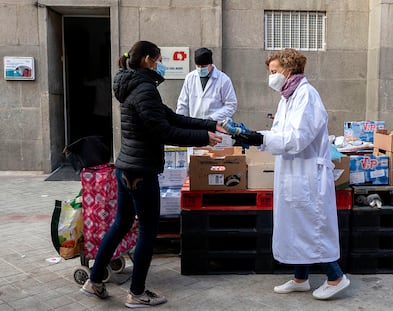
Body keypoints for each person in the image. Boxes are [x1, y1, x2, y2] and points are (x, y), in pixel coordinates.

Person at [80, 40, 225, 308]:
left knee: (121, 223)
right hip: (141, 172)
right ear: (148, 60)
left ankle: (95, 280)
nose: (161, 64)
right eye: (159, 59)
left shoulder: (134, 86)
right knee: (148, 229)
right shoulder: (144, 89)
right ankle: (137, 293)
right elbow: (164, 132)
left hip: (127, 166)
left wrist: (209, 124)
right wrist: (204, 137)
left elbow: (169, 116)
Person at [235, 48, 350, 300]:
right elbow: (279, 133)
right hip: (293, 172)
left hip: (308, 173)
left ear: (288, 70)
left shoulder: (306, 95)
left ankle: (336, 277)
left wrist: (260, 137)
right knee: (296, 226)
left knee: (311, 226)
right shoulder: (287, 97)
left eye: (274, 72)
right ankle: (301, 278)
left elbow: (298, 138)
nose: (271, 77)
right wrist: (256, 137)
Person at [176, 47, 237, 121]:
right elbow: (183, 104)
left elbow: (231, 105)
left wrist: (212, 118)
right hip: (195, 125)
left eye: (203, 66)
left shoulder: (223, 80)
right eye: (198, 66)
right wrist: (180, 122)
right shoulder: (190, 78)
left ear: (210, 64)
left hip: (216, 126)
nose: (200, 69)